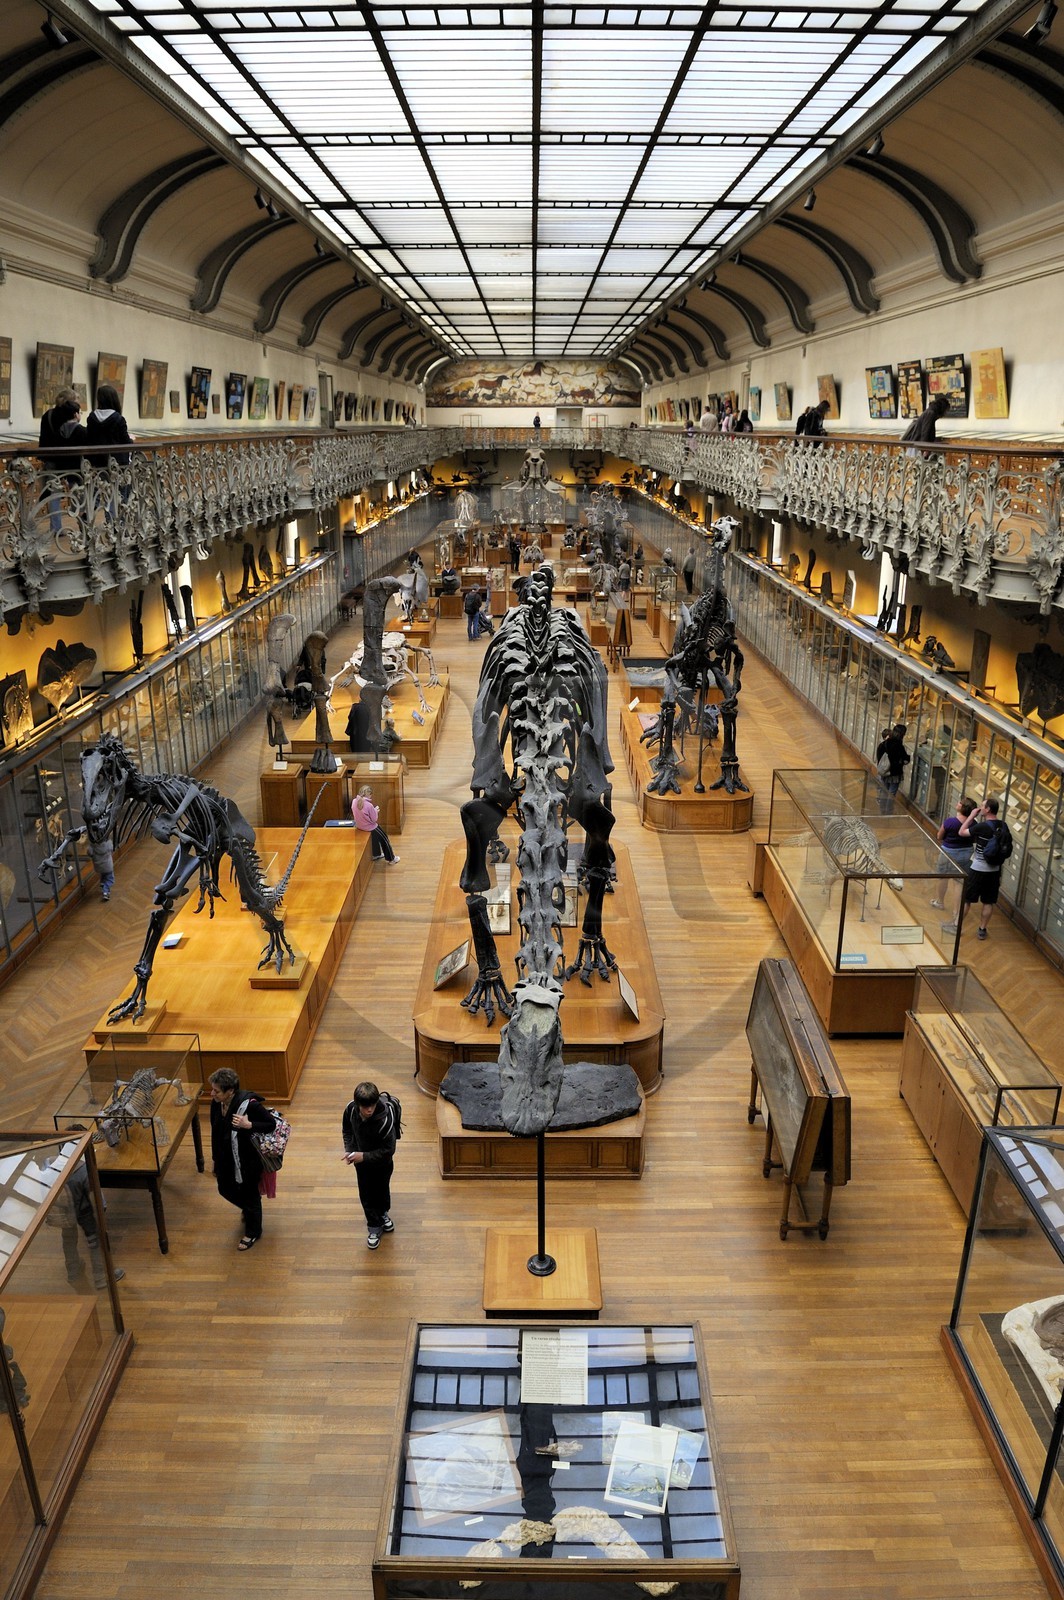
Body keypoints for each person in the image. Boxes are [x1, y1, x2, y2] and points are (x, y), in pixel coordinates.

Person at [208, 1067, 275, 1251]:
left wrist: (248, 1124)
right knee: (224, 1188)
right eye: (212, 1089)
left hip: (247, 1161)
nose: (212, 1093)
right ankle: (251, 1210)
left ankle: (253, 1231)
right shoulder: (215, 1103)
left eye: (216, 1091)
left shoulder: (250, 1104)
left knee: (250, 1194)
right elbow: (215, 1131)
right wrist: (215, 1158)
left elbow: (271, 1124)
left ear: (230, 1091)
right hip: (225, 1157)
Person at [341, 1081, 398, 1249]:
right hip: (362, 1165)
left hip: (383, 1164)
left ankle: (382, 1212)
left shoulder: (385, 1120)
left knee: (382, 1189)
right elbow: (347, 1130)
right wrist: (350, 1149)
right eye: (365, 1107)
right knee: (366, 1194)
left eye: (372, 1105)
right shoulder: (350, 1110)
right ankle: (374, 1226)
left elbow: (389, 1150)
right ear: (358, 1104)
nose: (369, 1110)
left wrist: (363, 1156)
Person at [956, 796, 1006, 940]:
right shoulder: (1003, 826)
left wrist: (972, 815)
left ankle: (957, 926)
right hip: (994, 870)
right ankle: (982, 929)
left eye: (983, 806)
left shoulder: (982, 826)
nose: (981, 808)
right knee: (988, 901)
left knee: (967, 899)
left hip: (978, 868)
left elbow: (962, 832)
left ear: (988, 809)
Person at [931, 796, 976, 921]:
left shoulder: (950, 822)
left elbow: (939, 836)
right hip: (966, 853)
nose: (957, 803)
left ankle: (940, 901)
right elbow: (974, 838)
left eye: (960, 803)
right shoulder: (974, 824)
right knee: (959, 882)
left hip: (948, 853)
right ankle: (956, 912)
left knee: (942, 877)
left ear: (962, 807)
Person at [84, 383, 133, 466]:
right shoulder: (118, 419)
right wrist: (131, 439)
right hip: (116, 462)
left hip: (96, 461)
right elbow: (126, 441)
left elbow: (89, 439)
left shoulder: (92, 417)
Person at [352, 784, 398, 863]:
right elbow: (374, 820)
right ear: (369, 794)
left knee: (374, 839)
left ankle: (376, 854)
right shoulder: (369, 805)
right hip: (370, 827)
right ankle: (391, 858)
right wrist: (375, 810)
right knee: (384, 839)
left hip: (359, 826)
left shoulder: (354, 801)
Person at [875, 722, 910, 813]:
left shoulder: (884, 744)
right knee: (891, 793)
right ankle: (888, 811)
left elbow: (879, 756)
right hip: (895, 773)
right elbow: (905, 759)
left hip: (884, 772)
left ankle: (882, 809)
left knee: (884, 791)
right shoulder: (899, 746)